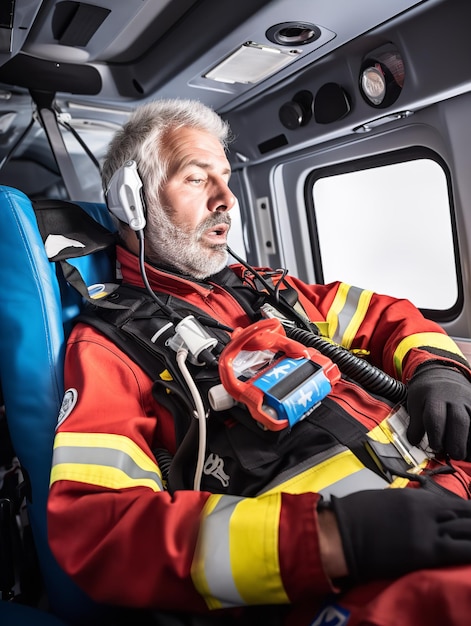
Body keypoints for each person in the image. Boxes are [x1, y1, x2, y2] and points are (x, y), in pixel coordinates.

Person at [47, 98, 471, 626]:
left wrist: (437, 368)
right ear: (134, 203)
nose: (227, 199)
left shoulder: (269, 288)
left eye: (225, 178)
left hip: (450, 482)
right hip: (353, 572)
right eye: (197, 180)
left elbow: (386, 316)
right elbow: (99, 528)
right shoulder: (109, 347)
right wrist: (333, 539)